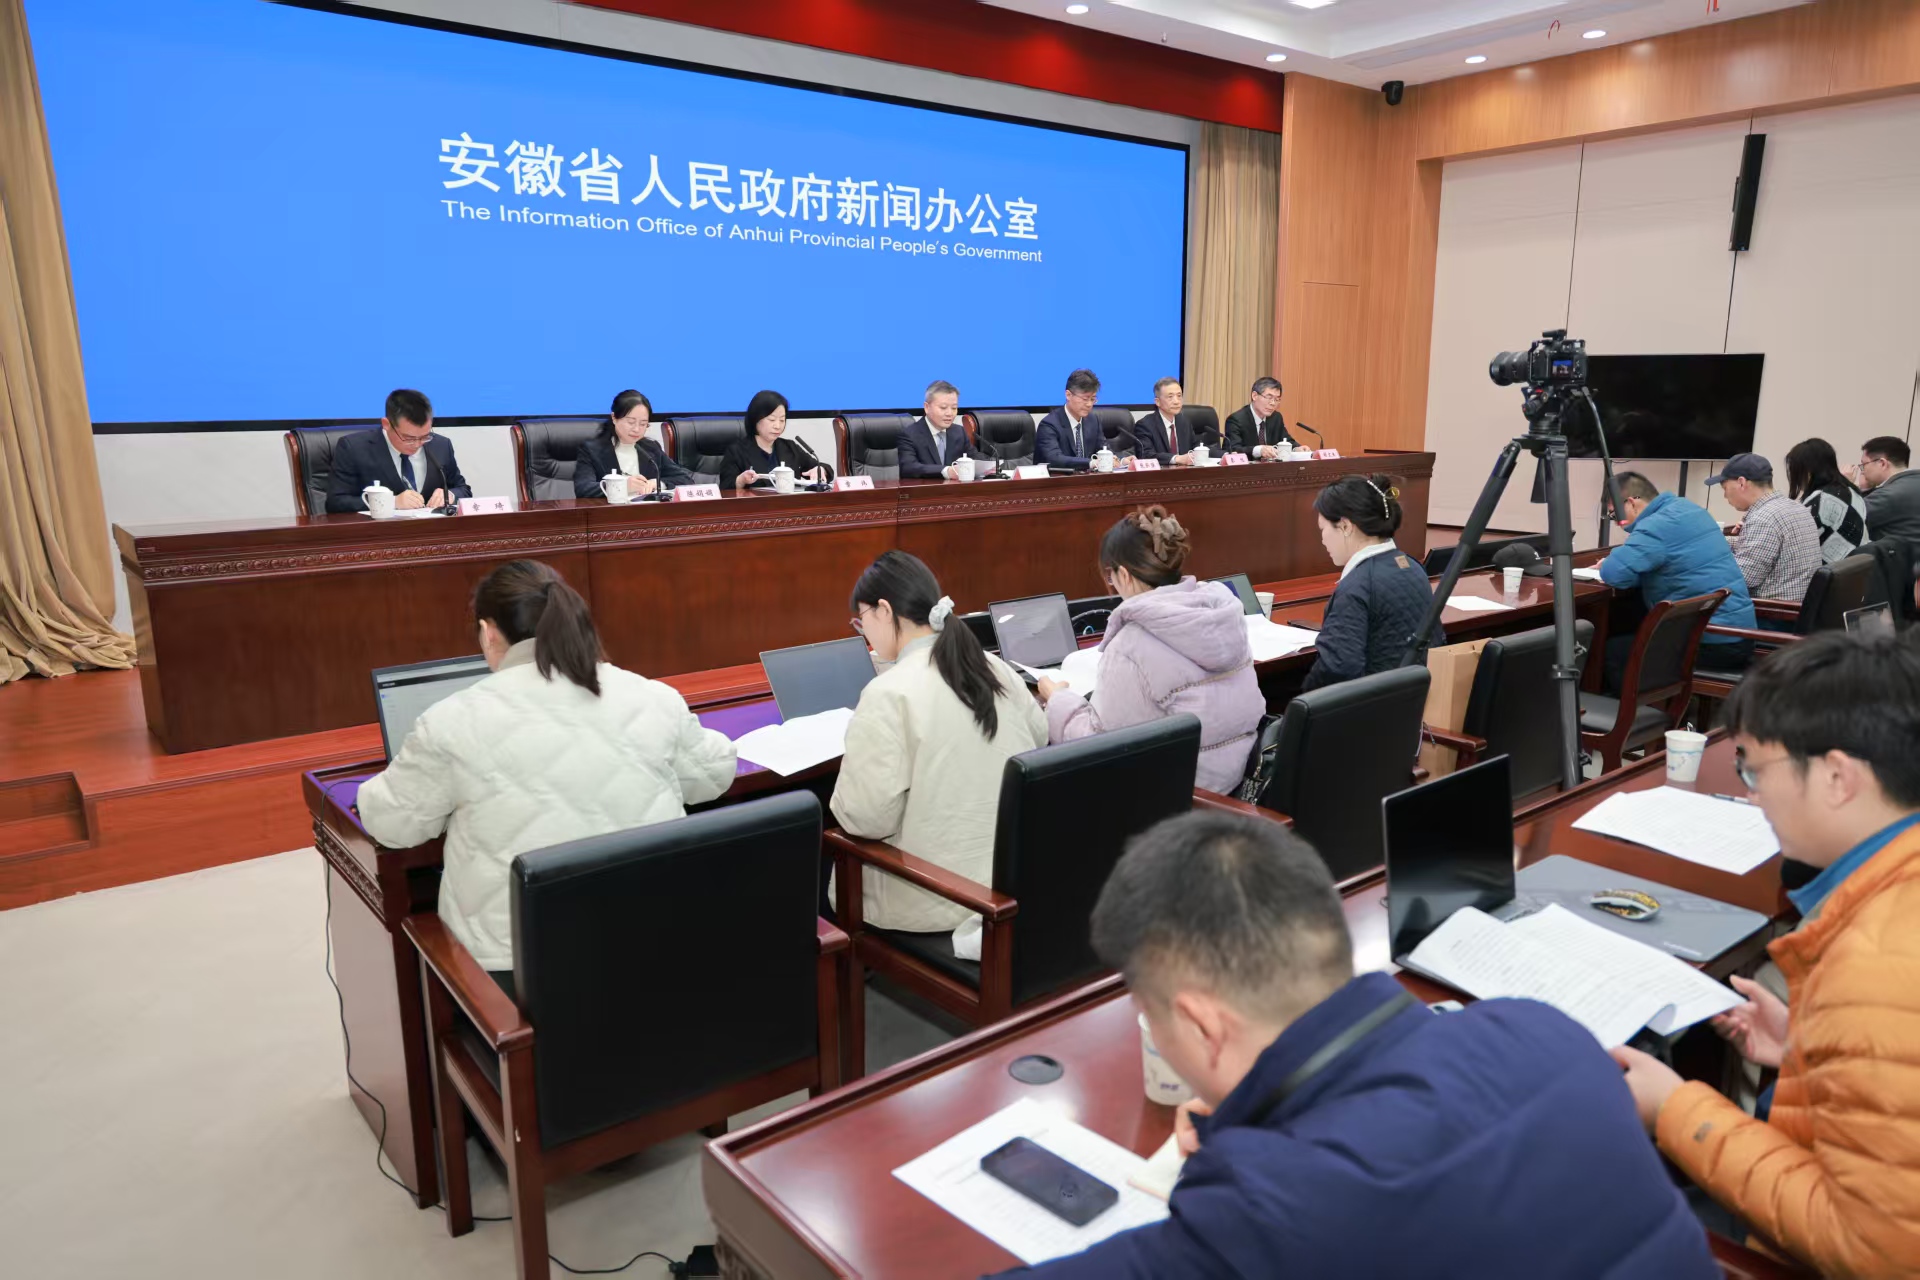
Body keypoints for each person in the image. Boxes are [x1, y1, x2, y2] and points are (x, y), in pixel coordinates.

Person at [1000, 811, 1717, 1278]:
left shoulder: (1266, 1210)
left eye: (1150, 1018)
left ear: (1201, 1025)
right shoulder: (1546, 1031)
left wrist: (1246, 1164)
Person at [1613, 632, 1920, 1279]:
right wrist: (1809, 1048)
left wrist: (1675, 1109)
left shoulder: (1876, 964)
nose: (1752, 796)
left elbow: (1876, 1251)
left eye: (1755, 773)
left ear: (1837, 777)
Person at [356, 560, 736, 980]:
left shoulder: (452, 720)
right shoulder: (652, 697)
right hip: (656, 943)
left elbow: (391, 822)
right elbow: (714, 773)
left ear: (488, 632)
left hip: (519, 973)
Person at [830, 551, 1047, 950]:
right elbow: (1040, 737)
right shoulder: (993, 667)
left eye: (862, 620)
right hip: (1008, 884)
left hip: (934, 900)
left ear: (884, 610)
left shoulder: (888, 692)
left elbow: (865, 820)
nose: (864, 633)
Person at [1037, 507, 1261, 793]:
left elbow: (1099, 747)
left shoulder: (1131, 645)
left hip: (1175, 799)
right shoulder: (1222, 614)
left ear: (1123, 574)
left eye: (1110, 576)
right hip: (1234, 785)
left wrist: (1058, 700)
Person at [1599, 471, 1758, 687]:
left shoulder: (1655, 526)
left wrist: (1611, 559)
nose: (1618, 523)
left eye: (1613, 515)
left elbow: (1613, 573)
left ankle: (1634, 708)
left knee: (1614, 651)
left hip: (1714, 642)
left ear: (1631, 503)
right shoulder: (1689, 509)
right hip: (1740, 634)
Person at [1301, 473, 1444, 691]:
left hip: (1377, 705)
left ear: (1345, 526)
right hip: (1415, 698)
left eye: (1323, 529)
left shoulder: (1358, 585)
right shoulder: (1412, 566)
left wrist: (1299, 703)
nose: (1322, 539)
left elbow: (1338, 668)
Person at [324, 388, 471, 513]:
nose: (417, 444)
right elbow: (335, 502)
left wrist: (450, 495)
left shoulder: (441, 445)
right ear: (386, 424)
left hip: (431, 532)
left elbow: (463, 489)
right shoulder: (354, 448)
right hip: (380, 534)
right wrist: (391, 502)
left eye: (424, 436)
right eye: (408, 438)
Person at [1707, 452, 1822, 603]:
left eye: (1725, 488)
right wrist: (1716, 543)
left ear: (1741, 483)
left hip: (1773, 611)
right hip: (1801, 606)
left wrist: (1704, 561)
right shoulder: (1795, 507)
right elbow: (1758, 549)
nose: (1725, 496)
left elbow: (1742, 578)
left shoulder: (1764, 518)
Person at [572, 389, 696, 499]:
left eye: (643, 424)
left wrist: (656, 483)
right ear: (614, 418)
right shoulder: (592, 450)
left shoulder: (651, 448)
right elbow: (583, 489)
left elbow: (685, 479)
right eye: (631, 422)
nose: (637, 429)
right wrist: (623, 486)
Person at [719, 389, 833, 491]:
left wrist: (820, 470)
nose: (778, 426)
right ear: (755, 419)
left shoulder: (790, 447)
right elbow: (724, 487)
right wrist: (741, 481)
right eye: (772, 420)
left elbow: (826, 469)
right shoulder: (736, 451)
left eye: (782, 420)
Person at [1785, 437, 1869, 564]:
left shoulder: (1822, 499)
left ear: (1808, 471)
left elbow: (1795, 545)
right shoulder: (1852, 491)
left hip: (1825, 570)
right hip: (1852, 568)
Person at [898, 379, 991, 480]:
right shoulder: (910, 434)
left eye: (954, 408)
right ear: (927, 407)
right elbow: (909, 468)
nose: (949, 413)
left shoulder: (959, 432)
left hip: (956, 489)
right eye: (943, 407)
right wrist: (947, 471)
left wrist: (993, 465)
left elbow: (975, 457)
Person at [1131, 377, 1217, 466]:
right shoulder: (1145, 425)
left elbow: (1198, 447)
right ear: (1157, 402)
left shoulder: (1184, 422)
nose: (1176, 401)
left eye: (1179, 396)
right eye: (1170, 397)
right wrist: (1177, 458)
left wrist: (1224, 455)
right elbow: (1145, 455)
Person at [1035, 369, 1102, 471]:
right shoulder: (1049, 424)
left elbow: (1104, 449)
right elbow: (1054, 459)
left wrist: (1120, 460)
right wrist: (1090, 463)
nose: (1089, 404)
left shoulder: (1093, 420)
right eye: (1085, 399)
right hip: (1058, 479)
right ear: (1068, 395)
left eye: (1093, 399)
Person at [1858, 435, 1920, 546]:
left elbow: (1848, 519)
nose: (1862, 471)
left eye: (1863, 465)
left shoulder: (1888, 495)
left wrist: (1843, 486)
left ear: (1882, 463)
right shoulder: (1913, 482)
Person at [1222, 376, 1295, 459]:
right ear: (1254, 396)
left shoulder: (1276, 418)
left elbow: (1286, 440)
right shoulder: (1236, 420)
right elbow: (1232, 450)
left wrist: (1297, 448)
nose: (1273, 403)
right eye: (1269, 397)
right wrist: (1259, 450)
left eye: (1277, 399)